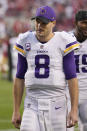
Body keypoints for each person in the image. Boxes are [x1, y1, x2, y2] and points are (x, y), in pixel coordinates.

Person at [11, 5, 79, 131]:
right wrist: (16, 110)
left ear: (53, 23)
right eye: (37, 21)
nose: (39, 26)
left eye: (44, 23)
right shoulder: (25, 40)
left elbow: (72, 78)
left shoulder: (63, 40)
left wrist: (74, 110)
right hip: (32, 102)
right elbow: (19, 77)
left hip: (57, 103)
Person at [66, 10, 87, 131]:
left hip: (86, 91)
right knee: (67, 127)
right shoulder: (65, 39)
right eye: (84, 23)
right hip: (67, 92)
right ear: (75, 23)